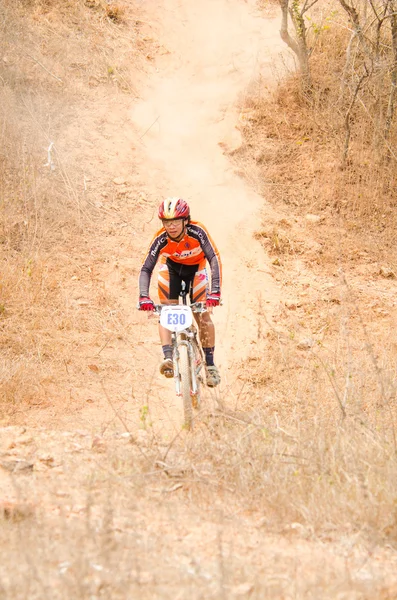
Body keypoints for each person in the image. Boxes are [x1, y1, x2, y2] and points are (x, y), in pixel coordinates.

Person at [138, 197, 222, 388]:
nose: (171, 226)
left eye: (175, 221)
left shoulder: (197, 231)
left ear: (186, 221)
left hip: (196, 270)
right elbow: (146, 268)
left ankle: (210, 365)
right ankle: (168, 358)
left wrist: (215, 292)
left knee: (202, 315)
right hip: (172, 271)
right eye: (167, 222)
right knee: (167, 311)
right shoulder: (161, 238)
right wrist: (144, 296)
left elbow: (214, 258)